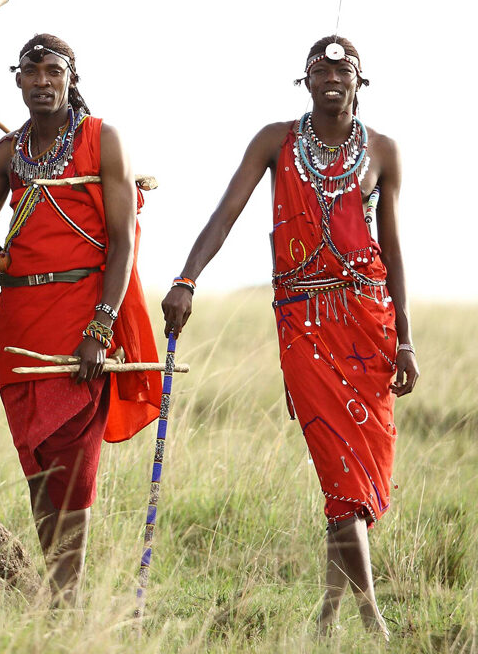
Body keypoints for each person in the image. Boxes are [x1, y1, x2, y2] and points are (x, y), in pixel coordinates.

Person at [162, 36, 420, 635]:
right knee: (338, 471)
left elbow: (394, 248)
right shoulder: (274, 141)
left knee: (355, 477)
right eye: (320, 69)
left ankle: (327, 617)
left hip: (366, 323)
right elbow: (224, 213)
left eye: (344, 68)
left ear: (361, 80)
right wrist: (186, 279)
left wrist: (404, 338)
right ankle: (372, 619)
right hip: (303, 324)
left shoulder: (383, 151)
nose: (332, 76)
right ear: (303, 81)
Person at [0, 34, 160, 603]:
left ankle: (65, 599)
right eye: (31, 71)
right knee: (36, 457)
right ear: (17, 80)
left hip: (81, 321)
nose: (42, 81)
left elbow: (122, 242)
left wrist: (101, 327)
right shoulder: (8, 154)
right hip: (19, 325)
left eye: (53, 71)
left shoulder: (102, 139)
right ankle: (59, 591)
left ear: (71, 78)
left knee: (73, 462)